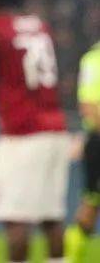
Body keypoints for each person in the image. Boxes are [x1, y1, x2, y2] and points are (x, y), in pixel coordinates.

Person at [0, 0, 70, 263]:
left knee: (16, 220)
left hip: (21, 133)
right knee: (52, 218)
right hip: (56, 130)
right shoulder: (40, 26)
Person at [65, 41, 100, 263]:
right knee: (91, 205)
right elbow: (88, 106)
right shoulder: (94, 60)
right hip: (98, 140)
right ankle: (71, 257)